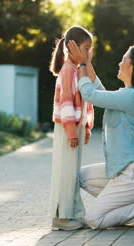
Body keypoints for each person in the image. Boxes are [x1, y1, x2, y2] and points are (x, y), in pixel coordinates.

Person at [68, 41, 134, 229]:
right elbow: (100, 91)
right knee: (82, 178)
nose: (119, 63)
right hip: (127, 170)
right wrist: (87, 62)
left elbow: (90, 94)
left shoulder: (131, 97)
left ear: (133, 66)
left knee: (94, 220)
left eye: (123, 60)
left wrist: (80, 65)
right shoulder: (127, 96)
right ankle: (132, 201)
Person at [48, 26, 95, 230]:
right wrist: (71, 131)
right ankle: (61, 217)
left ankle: (74, 214)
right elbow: (66, 102)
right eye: (86, 48)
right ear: (72, 47)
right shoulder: (68, 70)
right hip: (68, 128)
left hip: (75, 127)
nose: (89, 52)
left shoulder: (77, 70)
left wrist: (86, 127)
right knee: (66, 173)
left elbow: (87, 98)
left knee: (73, 174)